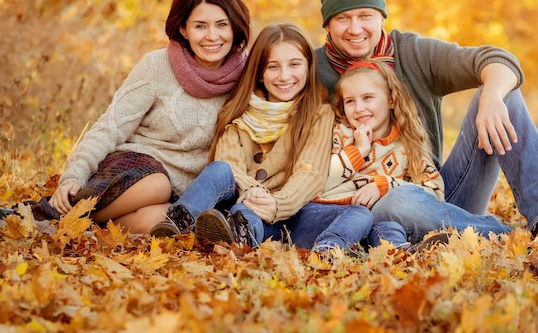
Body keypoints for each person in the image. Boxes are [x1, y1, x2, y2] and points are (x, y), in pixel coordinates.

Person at [314, 0, 538, 247]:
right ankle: (510, 238)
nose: (355, 28)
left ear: (381, 18)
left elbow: (498, 59)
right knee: (395, 202)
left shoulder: (414, 53)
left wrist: (491, 97)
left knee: (506, 96)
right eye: (342, 19)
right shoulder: (310, 71)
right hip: (364, 211)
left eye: (365, 16)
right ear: (327, 25)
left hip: (437, 193)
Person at [0, 0, 252, 233]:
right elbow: (111, 126)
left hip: (182, 196)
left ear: (235, 27)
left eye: (222, 24)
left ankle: (72, 223)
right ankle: (52, 218)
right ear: (184, 29)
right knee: (158, 184)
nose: (212, 36)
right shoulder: (157, 67)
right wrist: (74, 174)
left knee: (162, 221)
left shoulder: (248, 77)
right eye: (200, 26)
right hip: (135, 171)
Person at [150, 23, 372, 252]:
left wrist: (277, 204)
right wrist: (253, 191)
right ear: (259, 73)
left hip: (284, 212)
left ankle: (241, 237)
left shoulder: (318, 113)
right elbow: (230, 166)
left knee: (357, 214)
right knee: (220, 171)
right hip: (237, 201)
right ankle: (180, 222)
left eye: (295, 64)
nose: (284, 76)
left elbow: (310, 172)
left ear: (308, 66)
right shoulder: (239, 110)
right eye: (273, 67)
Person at [315, 60, 511, 250]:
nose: (359, 108)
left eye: (368, 98)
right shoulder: (339, 134)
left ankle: (486, 233)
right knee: (396, 203)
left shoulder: (408, 145)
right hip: (339, 216)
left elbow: (432, 195)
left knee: (401, 199)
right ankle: (497, 231)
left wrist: (385, 185)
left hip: (386, 219)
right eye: (350, 101)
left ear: (391, 99)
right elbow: (317, 182)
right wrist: (357, 152)